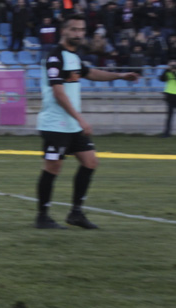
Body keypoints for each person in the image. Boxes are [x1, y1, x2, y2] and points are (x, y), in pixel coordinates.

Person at [34, 15, 138, 230]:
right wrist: (81, 118)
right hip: (55, 124)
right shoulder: (55, 57)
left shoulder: (73, 57)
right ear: (64, 31)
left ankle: (76, 214)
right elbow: (58, 93)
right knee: (53, 167)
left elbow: (91, 73)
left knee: (90, 162)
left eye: (81, 30)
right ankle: (42, 216)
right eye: (74, 29)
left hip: (72, 124)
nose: (79, 34)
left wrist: (119, 76)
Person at [161, 60, 176, 137]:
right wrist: (167, 69)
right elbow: (161, 79)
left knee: (170, 115)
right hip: (170, 95)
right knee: (169, 116)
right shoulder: (167, 72)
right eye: (171, 65)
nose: (173, 66)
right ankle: (167, 133)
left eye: (174, 65)